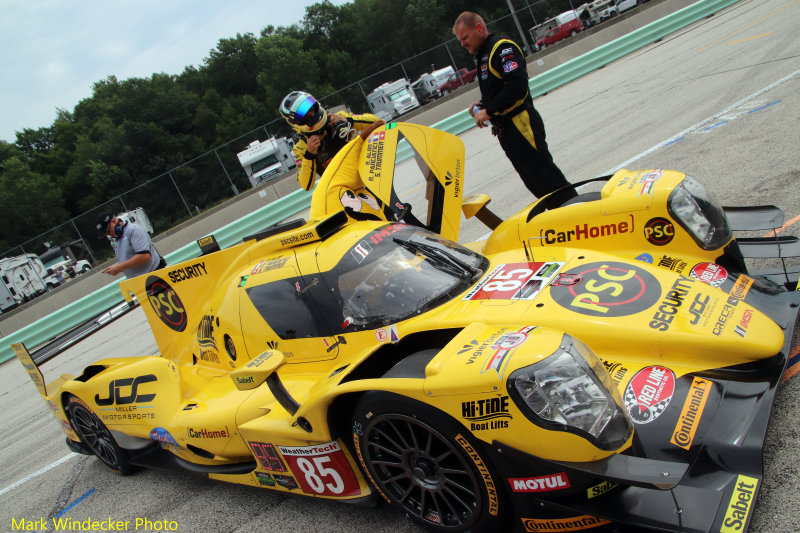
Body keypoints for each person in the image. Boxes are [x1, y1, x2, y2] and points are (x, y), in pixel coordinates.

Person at [453, 12, 576, 203]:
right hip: (507, 130)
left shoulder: (502, 48)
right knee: (537, 185)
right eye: (460, 40)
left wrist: (490, 111)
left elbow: (517, 88)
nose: (463, 44)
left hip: (521, 123)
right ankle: (563, 219)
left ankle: (580, 216)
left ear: (479, 28)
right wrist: (482, 105)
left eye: (465, 38)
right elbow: (498, 89)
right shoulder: (484, 55)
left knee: (548, 179)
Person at [279, 91, 380, 191]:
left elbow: (377, 121)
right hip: (345, 191)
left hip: (368, 176)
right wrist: (309, 155)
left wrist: (349, 120)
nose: (312, 113)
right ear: (296, 122)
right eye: (306, 114)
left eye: (311, 108)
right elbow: (306, 185)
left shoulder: (338, 116)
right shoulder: (301, 147)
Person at [95, 212, 165, 278]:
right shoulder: (116, 241)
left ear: (114, 221)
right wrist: (117, 269)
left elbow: (144, 256)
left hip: (155, 275)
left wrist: (119, 267)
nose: (108, 234)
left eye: (108, 231)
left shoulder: (134, 230)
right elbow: (128, 263)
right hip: (138, 282)